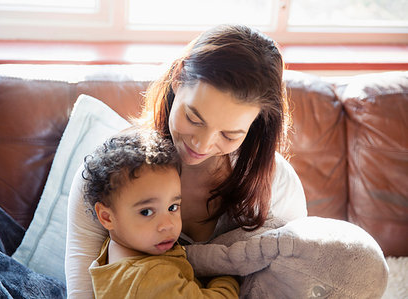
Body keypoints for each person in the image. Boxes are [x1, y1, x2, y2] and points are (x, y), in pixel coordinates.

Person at [65, 24, 307, 298]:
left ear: (256, 124)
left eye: (230, 134)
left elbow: (294, 280)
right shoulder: (111, 170)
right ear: (178, 78)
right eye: (194, 118)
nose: (202, 145)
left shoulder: (279, 187)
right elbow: (82, 286)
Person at [81, 128, 239, 298]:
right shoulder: (150, 278)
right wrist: (228, 276)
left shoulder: (115, 251)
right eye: (147, 212)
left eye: (173, 207)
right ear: (106, 217)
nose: (167, 225)